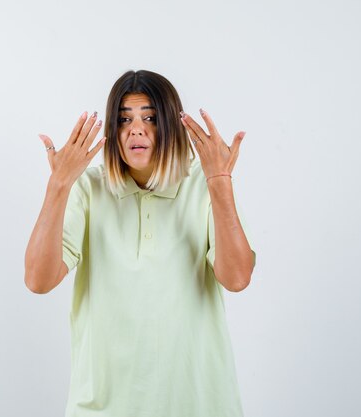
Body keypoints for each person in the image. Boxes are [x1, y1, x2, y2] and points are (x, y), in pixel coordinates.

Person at [24, 70, 256, 417]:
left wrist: (220, 180)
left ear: (172, 126)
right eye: (124, 119)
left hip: (199, 404)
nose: (136, 129)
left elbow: (237, 278)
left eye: (150, 118)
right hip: (101, 407)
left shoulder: (205, 183)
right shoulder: (87, 187)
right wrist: (59, 184)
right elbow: (38, 281)